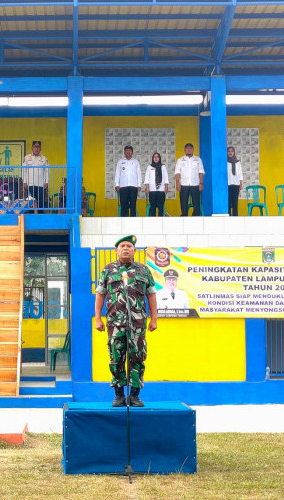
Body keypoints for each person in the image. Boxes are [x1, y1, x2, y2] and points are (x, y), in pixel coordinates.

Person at [94, 235, 157, 407]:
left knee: (137, 357)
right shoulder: (107, 270)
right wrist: (98, 319)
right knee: (116, 358)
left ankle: (135, 395)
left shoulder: (144, 271)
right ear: (116, 250)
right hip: (115, 323)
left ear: (134, 250)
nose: (125, 248)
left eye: (129, 245)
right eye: (122, 246)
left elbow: (151, 295)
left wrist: (154, 319)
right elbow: (100, 294)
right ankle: (119, 395)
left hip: (137, 324)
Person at [175, 143, 205, 216]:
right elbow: (177, 172)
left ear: (193, 150)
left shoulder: (198, 160)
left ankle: (196, 216)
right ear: (185, 150)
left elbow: (201, 172)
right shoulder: (180, 160)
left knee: (196, 203)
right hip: (184, 184)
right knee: (183, 202)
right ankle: (184, 216)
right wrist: (177, 183)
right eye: (187, 148)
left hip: (195, 184)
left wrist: (201, 183)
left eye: (190, 148)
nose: (189, 150)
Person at [22, 140, 50, 213]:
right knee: (30, 201)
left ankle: (40, 216)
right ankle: (31, 216)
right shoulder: (27, 157)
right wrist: (24, 182)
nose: (36, 149)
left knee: (41, 201)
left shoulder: (44, 158)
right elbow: (24, 171)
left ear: (40, 149)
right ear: (32, 148)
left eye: (38, 147)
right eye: (35, 147)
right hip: (30, 183)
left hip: (41, 184)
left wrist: (46, 182)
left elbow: (47, 171)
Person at [114, 145, 141, 217]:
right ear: (124, 152)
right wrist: (117, 184)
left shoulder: (136, 162)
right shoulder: (120, 162)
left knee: (133, 205)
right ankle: (124, 223)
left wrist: (139, 185)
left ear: (132, 152)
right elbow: (117, 174)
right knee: (124, 205)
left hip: (133, 186)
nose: (128, 152)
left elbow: (139, 174)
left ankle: (133, 222)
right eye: (126, 150)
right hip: (123, 187)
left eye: (129, 150)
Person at [144, 151, 169, 217]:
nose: (156, 158)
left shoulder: (163, 167)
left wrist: (166, 187)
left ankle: (161, 221)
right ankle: (153, 221)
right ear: (152, 158)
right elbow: (147, 178)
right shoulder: (149, 167)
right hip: (152, 190)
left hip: (161, 190)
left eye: (157, 157)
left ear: (159, 158)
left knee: (161, 206)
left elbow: (166, 177)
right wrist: (147, 187)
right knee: (153, 207)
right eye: (154, 157)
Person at [226, 146, 243, 216]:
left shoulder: (237, 162)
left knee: (235, 202)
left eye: (232, 151)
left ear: (234, 152)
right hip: (228, 184)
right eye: (229, 151)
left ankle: (235, 217)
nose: (230, 153)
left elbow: (240, 173)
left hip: (236, 184)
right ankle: (229, 216)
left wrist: (241, 184)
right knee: (229, 202)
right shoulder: (225, 162)